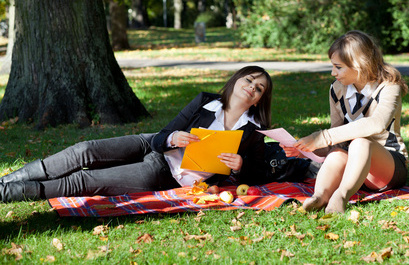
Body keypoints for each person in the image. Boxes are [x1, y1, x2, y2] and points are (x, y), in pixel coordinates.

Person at [0, 66, 273, 202]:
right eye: (249, 79)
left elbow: (258, 175)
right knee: (84, 150)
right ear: (237, 79)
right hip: (151, 145)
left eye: (259, 88)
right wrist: (172, 138)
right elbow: (161, 136)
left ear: (259, 100)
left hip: (165, 174)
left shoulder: (253, 133)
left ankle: (9, 193)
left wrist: (240, 166)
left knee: (84, 180)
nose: (251, 86)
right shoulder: (204, 101)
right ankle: (5, 182)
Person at [282, 30, 409, 214]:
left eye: (338, 67)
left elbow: (377, 123)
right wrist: (306, 149)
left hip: (387, 167)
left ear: (359, 65)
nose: (333, 72)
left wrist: (323, 137)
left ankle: (340, 196)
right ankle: (320, 196)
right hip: (352, 166)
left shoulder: (389, 86)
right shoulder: (337, 89)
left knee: (360, 142)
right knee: (337, 152)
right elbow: (337, 138)